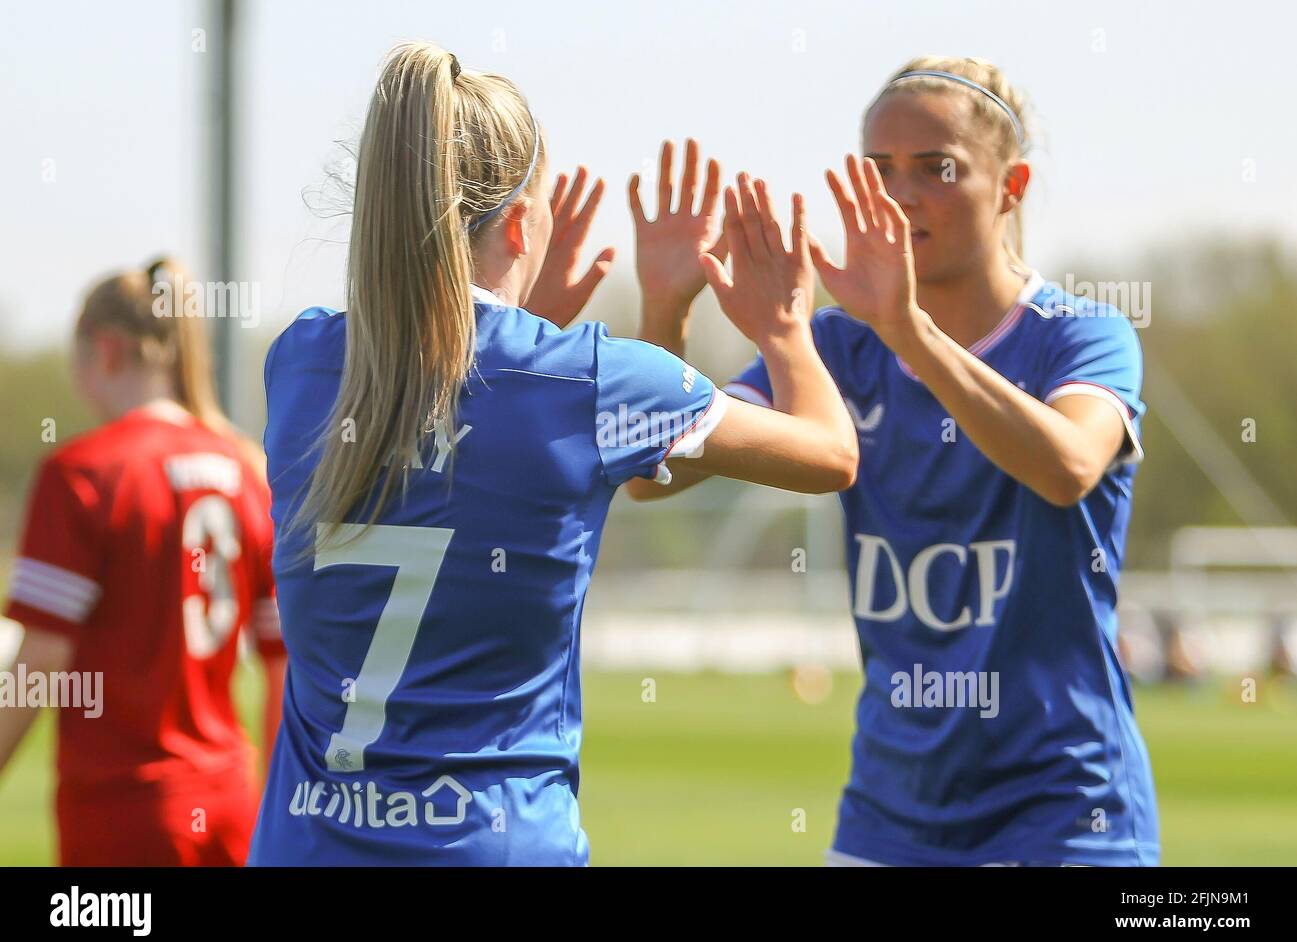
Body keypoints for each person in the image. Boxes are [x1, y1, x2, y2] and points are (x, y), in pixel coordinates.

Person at [246, 41, 856, 866]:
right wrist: (785, 330)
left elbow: (448, 411)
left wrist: (541, 334)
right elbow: (829, 454)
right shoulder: (592, 382)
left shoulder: (301, 364)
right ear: (526, 223)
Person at [630, 56, 1159, 866]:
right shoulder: (837, 349)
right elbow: (652, 474)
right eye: (879, 171)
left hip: (1066, 812)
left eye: (936, 169)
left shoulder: (1080, 335)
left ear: (1010, 187)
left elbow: (1066, 468)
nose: (902, 193)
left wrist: (909, 330)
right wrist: (666, 309)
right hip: (889, 816)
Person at [0, 258, 285, 866]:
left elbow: (40, 660)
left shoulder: (82, 474)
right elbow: (283, 663)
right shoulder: (247, 473)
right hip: (232, 806)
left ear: (104, 351)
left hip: (122, 816)